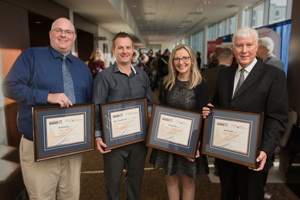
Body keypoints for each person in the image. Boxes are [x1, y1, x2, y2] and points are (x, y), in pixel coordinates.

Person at [2, 18, 93, 199]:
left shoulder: (82, 67)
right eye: (58, 30)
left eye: (68, 32)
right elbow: (9, 87)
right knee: (42, 196)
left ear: (74, 37)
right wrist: (47, 96)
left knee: (70, 195)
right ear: (50, 34)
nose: (63, 35)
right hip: (39, 145)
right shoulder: (31, 56)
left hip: (73, 144)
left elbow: (88, 101)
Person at [202, 27, 289, 200]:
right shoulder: (225, 74)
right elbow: (220, 103)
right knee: (228, 195)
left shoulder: (274, 76)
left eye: (248, 45)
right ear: (233, 48)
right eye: (239, 45)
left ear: (256, 46)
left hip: (254, 156)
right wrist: (211, 111)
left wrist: (266, 149)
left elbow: (278, 118)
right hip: (225, 152)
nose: (244, 50)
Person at [93, 32, 154, 200]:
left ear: (133, 49)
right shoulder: (104, 77)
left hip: (139, 140)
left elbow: (150, 103)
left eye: (128, 47)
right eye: (120, 47)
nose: (124, 51)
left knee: (135, 183)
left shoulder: (142, 75)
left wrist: (150, 115)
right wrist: (98, 136)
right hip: (113, 142)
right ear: (114, 50)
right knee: (112, 184)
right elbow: (97, 107)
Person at [150, 44, 209, 200]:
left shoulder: (201, 84)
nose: (181, 62)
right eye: (177, 58)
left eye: (185, 58)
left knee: (188, 182)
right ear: (172, 61)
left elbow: (204, 117)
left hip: (190, 142)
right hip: (169, 140)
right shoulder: (166, 83)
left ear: (191, 59)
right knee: (170, 179)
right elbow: (162, 111)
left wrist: (198, 144)